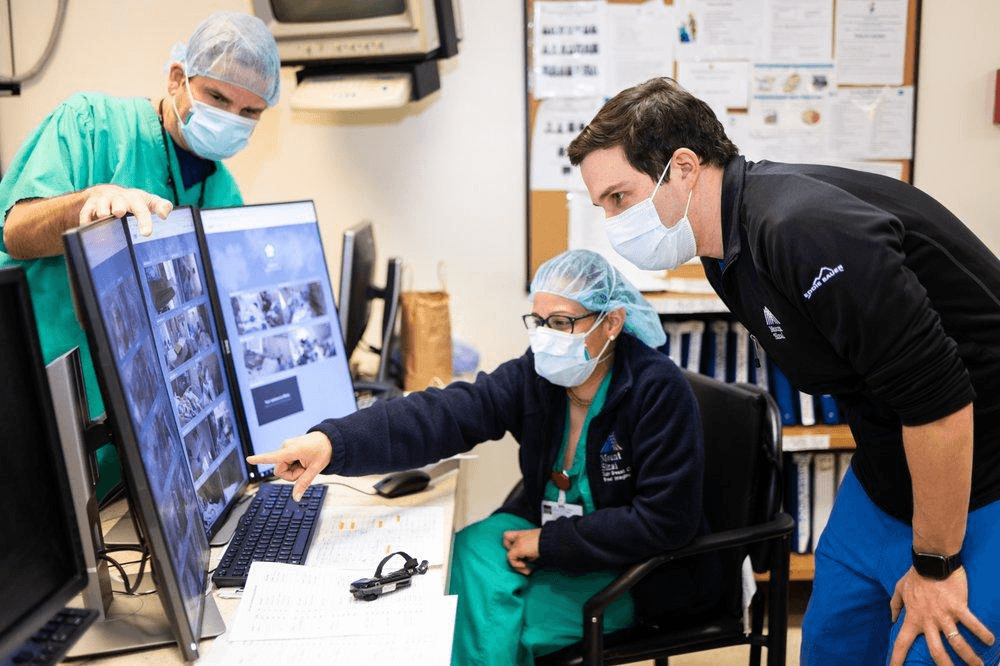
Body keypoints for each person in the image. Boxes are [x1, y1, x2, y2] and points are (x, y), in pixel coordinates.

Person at [566, 76, 1000, 666]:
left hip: (978, 467)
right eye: (603, 207)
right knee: (830, 645)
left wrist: (936, 565)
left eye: (619, 197)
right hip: (886, 465)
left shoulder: (800, 228)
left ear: (685, 168)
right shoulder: (725, 247)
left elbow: (940, 404)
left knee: (932, 651)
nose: (613, 222)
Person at [249, 249, 723, 665]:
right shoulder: (539, 376)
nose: (545, 338)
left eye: (561, 323)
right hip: (551, 529)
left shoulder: (658, 391)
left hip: (635, 568)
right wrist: (333, 443)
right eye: (538, 322)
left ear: (612, 323)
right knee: (456, 566)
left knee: (501, 624)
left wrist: (548, 544)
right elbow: (445, 414)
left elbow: (665, 523)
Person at [0, 11, 280, 499]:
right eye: (217, 97)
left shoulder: (224, 195)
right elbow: (16, 230)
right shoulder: (92, 126)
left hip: (131, 452)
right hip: (36, 410)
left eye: (249, 112)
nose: (231, 119)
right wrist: (87, 206)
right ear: (178, 78)